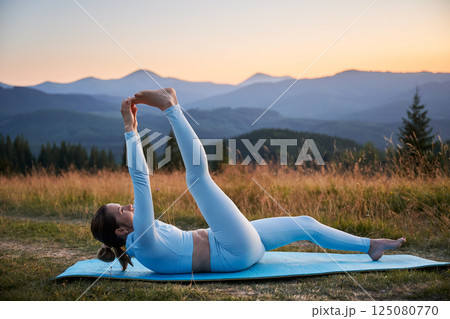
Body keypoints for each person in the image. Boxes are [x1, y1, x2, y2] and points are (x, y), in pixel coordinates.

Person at [91, 88, 406, 274]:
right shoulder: (142, 239)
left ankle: (371, 245)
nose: (129, 204)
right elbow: (141, 179)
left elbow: (140, 188)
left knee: (305, 223)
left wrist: (133, 129)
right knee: (198, 180)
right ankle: (172, 107)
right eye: (123, 208)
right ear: (121, 230)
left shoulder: (136, 242)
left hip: (234, 244)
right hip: (233, 251)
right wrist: (129, 129)